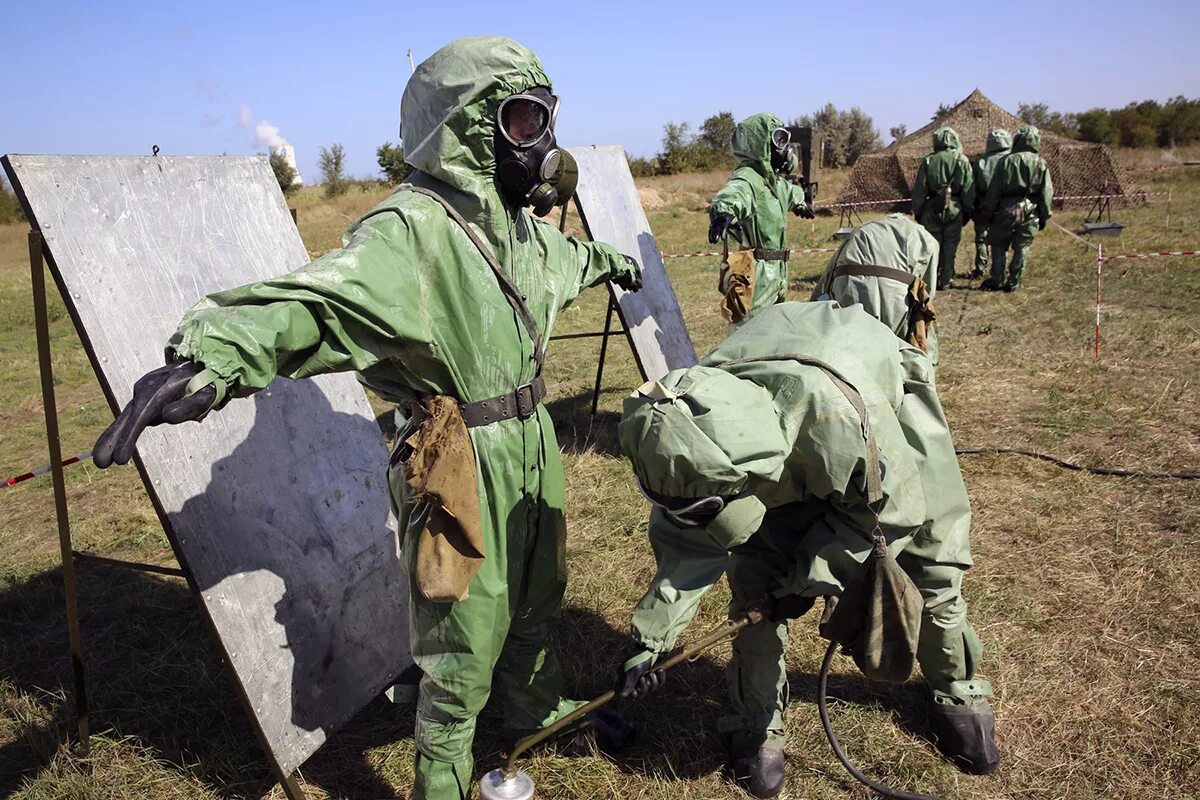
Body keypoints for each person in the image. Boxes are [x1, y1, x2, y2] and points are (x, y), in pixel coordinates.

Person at [91, 36, 642, 800]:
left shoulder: (515, 227)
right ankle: (442, 779)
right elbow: (318, 301)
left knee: (537, 597)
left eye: (543, 122)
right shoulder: (409, 232)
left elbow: (562, 262)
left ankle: (533, 708)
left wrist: (615, 260)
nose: (538, 145)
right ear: (465, 127)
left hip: (531, 440)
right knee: (462, 636)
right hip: (459, 460)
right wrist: (217, 352)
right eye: (519, 122)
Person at [616, 302, 998, 799]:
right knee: (756, 590)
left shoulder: (841, 417)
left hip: (872, 413)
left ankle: (957, 689)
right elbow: (688, 540)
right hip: (780, 435)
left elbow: (895, 512)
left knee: (931, 570)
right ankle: (756, 723)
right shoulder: (681, 439)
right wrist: (651, 642)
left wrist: (810, 575)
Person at [708, 113, 814, 325]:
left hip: (778, 271)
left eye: (785, 140)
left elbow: (789, 191)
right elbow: (735, 192)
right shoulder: (749, 178)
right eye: (778, 140)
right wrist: (723, 212)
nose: (783, 148)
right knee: (749, 331)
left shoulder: (773, 182)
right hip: (756, 272)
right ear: (761, 145)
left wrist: (801, 202)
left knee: (774, 330)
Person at [811, 213, 941, 368]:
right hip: (896, 300)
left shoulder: (861, 231)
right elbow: (928, 291)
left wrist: (813, 308)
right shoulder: (926, 238)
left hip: (849, 292)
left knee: (850, 353)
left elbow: (828, 275)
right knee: (894, 352)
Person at [981, 126, 1054, 292]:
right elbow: (1046, 192)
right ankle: (1015, 281)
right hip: (1030, 211)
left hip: (1004, 209)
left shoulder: (1005, 161)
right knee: (1022, 247)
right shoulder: (1040, 163)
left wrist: (989, 211)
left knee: (999, 245)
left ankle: (997, 279)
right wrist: (1044, 214)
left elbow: (994, 190)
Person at [911, 127, 975, 290]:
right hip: (955, 208)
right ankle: (946, 279)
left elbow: (920, 189)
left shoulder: (928, 161)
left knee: (931, 247)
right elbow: (968, 189)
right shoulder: (962, 160)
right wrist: (967, 210)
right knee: (950, 246)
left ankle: (929, 280)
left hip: (931, 208)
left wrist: (918, 211)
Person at [969, 129, 1012, 279]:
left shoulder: (981, 162)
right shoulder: (1011, 160)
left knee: (981, 238)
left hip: (983, 205)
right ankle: (1000, 269)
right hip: (1007, 206)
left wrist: (973, 207)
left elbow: (973, 187)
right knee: (1002, 241)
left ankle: (980, 268)